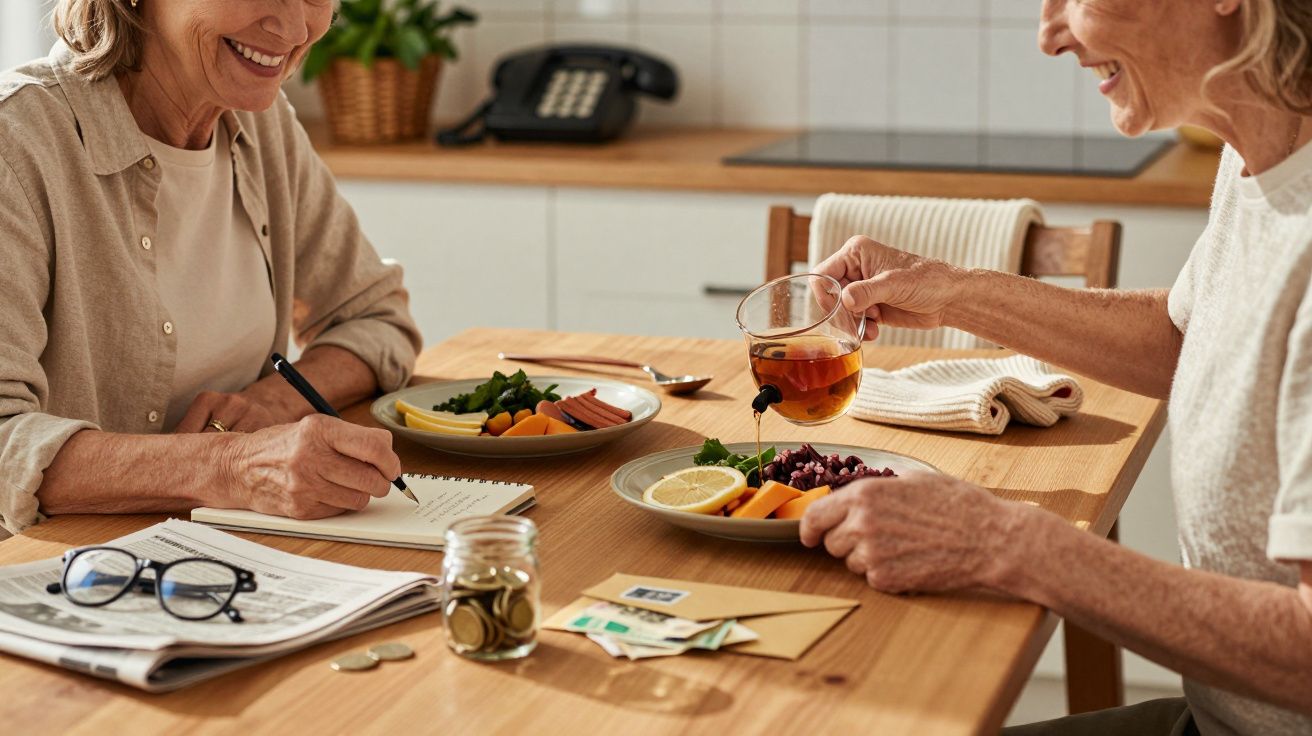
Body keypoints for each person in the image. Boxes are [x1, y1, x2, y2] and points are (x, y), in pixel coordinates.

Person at [800, 1, 1312, 733]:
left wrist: (1004, 544)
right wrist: (950, 290)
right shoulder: (1262, 154)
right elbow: (1190, 339)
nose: (1049, 36)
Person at [0, 0, 422, 536]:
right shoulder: (15, 145)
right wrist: (229, 465)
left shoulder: (262, 126)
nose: (294, 28)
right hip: (56, 576)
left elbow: (375, 318)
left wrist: (270, 402)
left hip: (225, 551)